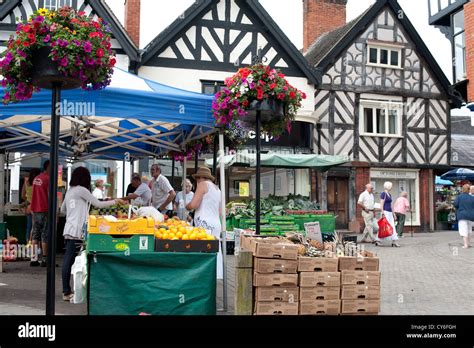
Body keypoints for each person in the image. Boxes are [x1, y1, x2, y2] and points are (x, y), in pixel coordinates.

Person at [61, 167, 125, 301]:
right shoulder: (82, 190)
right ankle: (66, 291)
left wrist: (75, 211)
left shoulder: (70, 191)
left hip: (68, 229)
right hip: (77, 230)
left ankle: (68, 290)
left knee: (69, 260)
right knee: (70, 261)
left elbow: (63, 209)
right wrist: (115, 201)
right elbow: (98, 204)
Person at [186, 167, 223, 279]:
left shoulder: (203, 185)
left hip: (204, 222)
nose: (196, 181)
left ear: (201, 177)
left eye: (197, 178)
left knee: (203, 249)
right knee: (214, 250)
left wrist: (187, 206)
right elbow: (220, 211)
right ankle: (215, 275)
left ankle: (204, 277)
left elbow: (194, 205)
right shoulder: (217, 189)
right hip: (216, 223)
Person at [30, 160, 50, 267]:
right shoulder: (48, 179)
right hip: (45, 209)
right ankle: (45, 259)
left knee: (35, 234)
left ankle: (34, 259)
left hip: (35, 209)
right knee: (44, 234)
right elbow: (49, 195)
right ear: (48, 167)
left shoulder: (36, 178)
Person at [21, 168, 41, 245]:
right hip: (37, 207)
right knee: (36, 227)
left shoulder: (26, 182)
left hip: (29, 206)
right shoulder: (38, 183)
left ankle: (28, 243)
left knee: (29, 226)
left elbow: (22, 195)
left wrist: (28, 199)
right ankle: (36, 245)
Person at [379, 181, 400, 247]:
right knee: (384, 226)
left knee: (392, 226)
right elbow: (381, 204)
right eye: (391, 186)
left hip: (390, 212)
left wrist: (394, 214)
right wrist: (382, 212)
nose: (392, 187)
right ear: (388, 186)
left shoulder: (389, 194)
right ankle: (378, 240)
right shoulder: (383, 194)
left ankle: (394, 241)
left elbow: (391, 205)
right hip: (385, 212)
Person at [454, 184, 474, 249]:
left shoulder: (459, 197)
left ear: (462, 189)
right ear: (469, 190)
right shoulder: (472, 197)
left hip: (462, 215)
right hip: (471, 216)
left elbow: (456, 204)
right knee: (469, 230)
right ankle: (469, 243)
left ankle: (465, 245)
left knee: (463, 230)